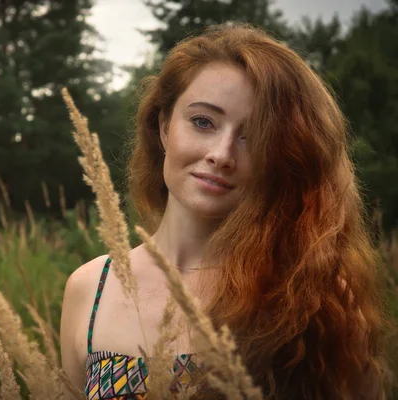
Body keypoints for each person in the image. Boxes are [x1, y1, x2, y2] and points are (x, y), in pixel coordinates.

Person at [60, 22, 392, 399]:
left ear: (283, 160)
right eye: (203, 122)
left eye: (254, 137)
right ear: (164, 126)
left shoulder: (312, 296)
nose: (221, 154)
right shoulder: (91, 288)